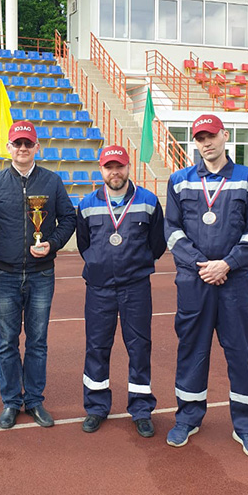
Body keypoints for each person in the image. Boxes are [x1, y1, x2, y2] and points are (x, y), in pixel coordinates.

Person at [165, 114, 248, 459]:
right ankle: (188, 417)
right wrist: (203, 266)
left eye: (211, 136)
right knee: (192, 350)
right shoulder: (179, 181)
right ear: (194, 143)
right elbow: (172, 231)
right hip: (194, 281)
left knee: (240, 353)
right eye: (199, 138)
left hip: (234, 281)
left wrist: (226, 264)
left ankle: (246, 427)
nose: (206, 143)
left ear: (225, 136)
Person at [0, 120, 76, 430]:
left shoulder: (52, 182)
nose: (22, 149)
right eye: (17, 144)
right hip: (4, 274)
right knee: (6, 342)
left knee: (37, 342)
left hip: (41, 274)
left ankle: (33, 399)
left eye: (27, 144)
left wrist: (53, 244)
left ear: (37, 148)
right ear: (8, 148)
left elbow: (69, 219)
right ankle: (10, 401)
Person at [76, 145, 166, 436]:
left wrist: (137, 264)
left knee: (139, 347)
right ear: (101, 170)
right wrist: (100, 265)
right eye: (109, 167)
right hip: (99, 288)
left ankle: (140, 409)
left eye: (120, 166)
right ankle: (96, 407)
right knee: (97, 347)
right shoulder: (87, 203)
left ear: (129, 167)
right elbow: (83, 244)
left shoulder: (149, 201)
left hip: (136, 287)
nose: (115, 172)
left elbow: (157, 244)